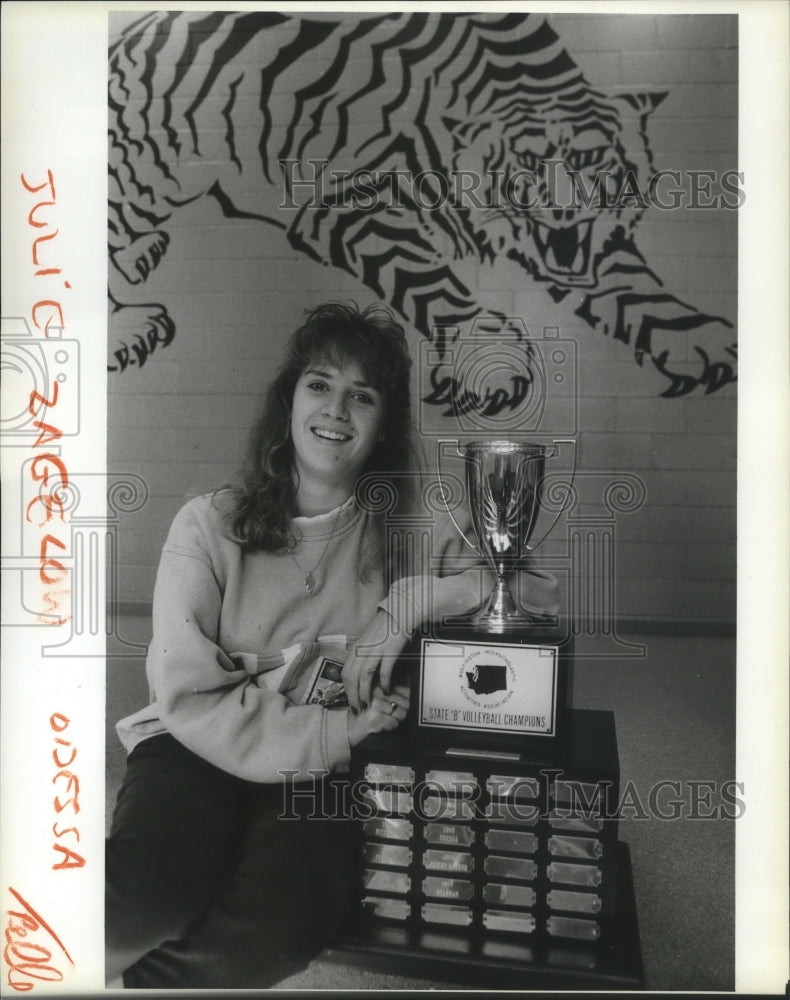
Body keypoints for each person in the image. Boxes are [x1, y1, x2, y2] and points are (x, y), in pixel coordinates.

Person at [105, 301, 559, 989]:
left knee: (274, 933)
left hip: (326, 771)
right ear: (288, 401)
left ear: (383, 429)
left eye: (363, 395)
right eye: (320, 384)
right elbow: (189, 694)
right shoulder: (206, 525)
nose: (336, 409)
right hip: (195, 746)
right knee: (140, 907)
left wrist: (407, 602)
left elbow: (532, 589)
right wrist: (330, 732)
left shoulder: (409, 526)